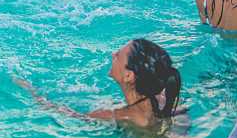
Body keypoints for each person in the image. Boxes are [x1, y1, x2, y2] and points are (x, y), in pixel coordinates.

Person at [15, 39, 182, 127]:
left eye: (118, 56)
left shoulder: (120, 115)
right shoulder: (160, 99)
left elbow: (65, 114)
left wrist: (29, 90)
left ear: (128, 76)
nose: (112, 54)